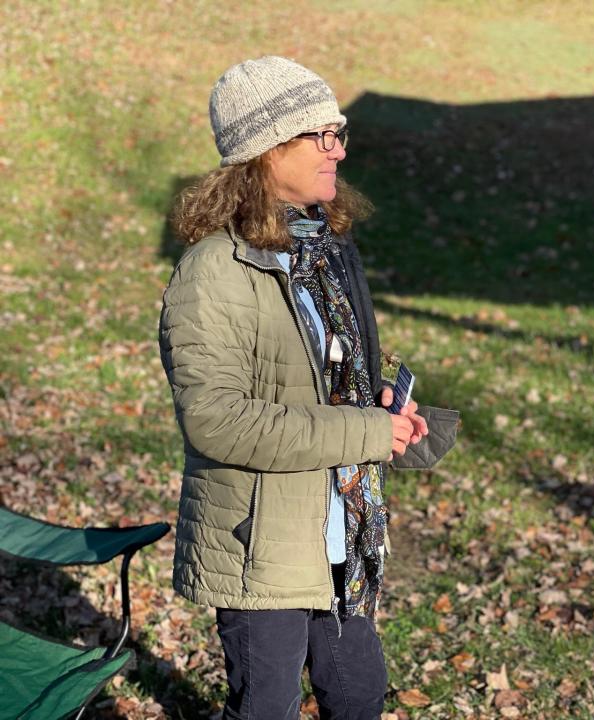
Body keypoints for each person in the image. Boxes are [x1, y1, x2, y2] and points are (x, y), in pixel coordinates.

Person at [159, 55, 428, 720]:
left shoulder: (325, 249)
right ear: (264, 149)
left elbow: (332, 370)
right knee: (266, 708)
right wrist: (365, 430)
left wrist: (384, 405)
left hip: (342, 532)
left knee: (359, 696)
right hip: (262, 546)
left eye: (339, 132)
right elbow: (216, 420)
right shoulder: (213, 272)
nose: (338, 149)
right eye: (320, 135)